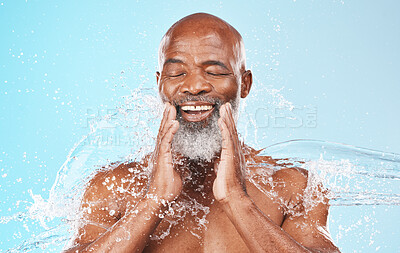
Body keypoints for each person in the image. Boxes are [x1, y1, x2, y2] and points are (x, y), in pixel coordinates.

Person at [65, 13, 340, 252]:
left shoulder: (292, 188)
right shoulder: (112, 188)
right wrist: (153, 201)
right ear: (159, 84)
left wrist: (236, 199)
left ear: (244, 84)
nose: (194, 86)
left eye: (214, 72)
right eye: (176, 73)